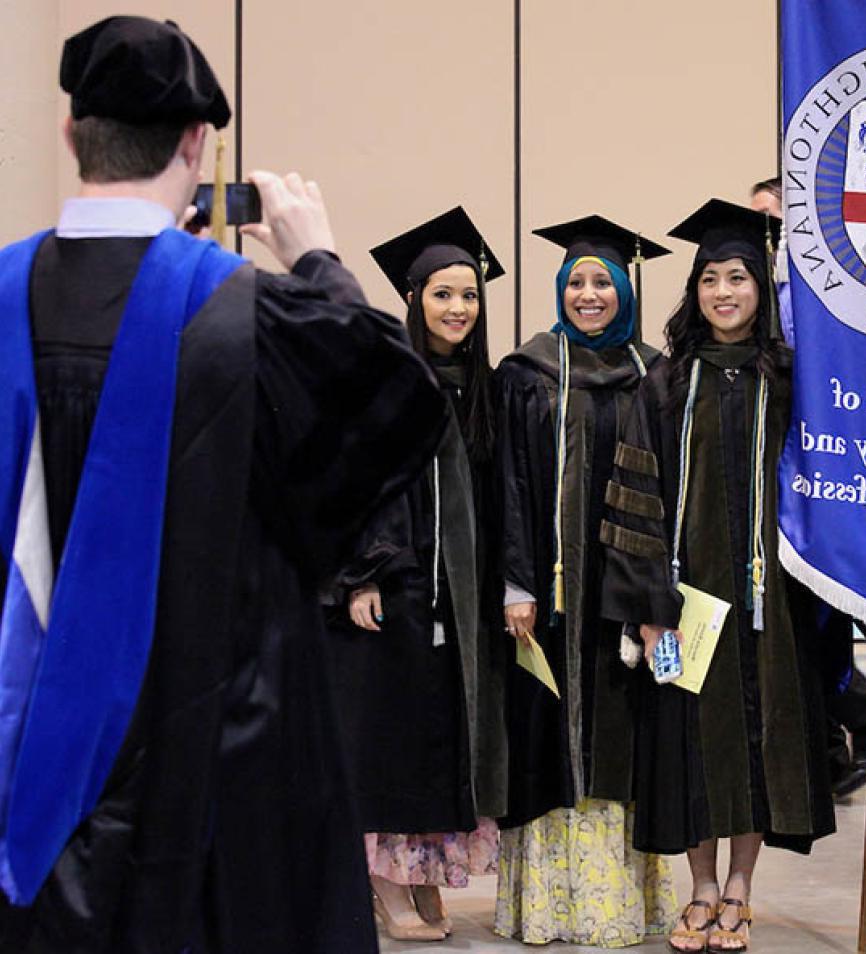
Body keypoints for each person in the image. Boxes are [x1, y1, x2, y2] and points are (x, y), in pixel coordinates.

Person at [0, 17, 444, 954]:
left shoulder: (3, 297)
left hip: (23, 751)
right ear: (199, 144)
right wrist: (318, 260)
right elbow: (391, 413)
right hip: (222, 763)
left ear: (73, 133)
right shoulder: (253, 315)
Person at [602, 199, 841, 953]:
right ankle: (700, 889)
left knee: (761, 743)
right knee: (687, 747)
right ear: (694, 293)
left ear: (761, 290)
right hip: (683, 606)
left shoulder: (794, 380)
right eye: (710, 279)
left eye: (738, 277)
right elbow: (634, 498)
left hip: (775, 606)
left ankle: (741, 889)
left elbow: (830, 483)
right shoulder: (666, 385)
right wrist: (647, 604)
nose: (724, 292)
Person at [326, 208, 509, 942]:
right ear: (414, 300)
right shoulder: (384, 381)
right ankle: (385, 891)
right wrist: (361, 575)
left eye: (469, 295)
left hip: (462, 604)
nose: (458, 308)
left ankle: (426, 882)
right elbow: (354, 483)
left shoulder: (486, 387)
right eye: (443, 294)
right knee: (388, 744)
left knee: (444, 743)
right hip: (395, 596)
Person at [495, 216, 676, 947]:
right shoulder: (528, 372)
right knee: (548, 730)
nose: (589, 295)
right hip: (549, 590)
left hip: (628, 591)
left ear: (627, 289)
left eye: (603, 282)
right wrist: (514, 582)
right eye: (577, 283)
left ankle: (619, 901)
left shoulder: (656, 374)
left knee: (625, 731)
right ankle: (549, 904)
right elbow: (509, 480)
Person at [746, 176, 866, 798]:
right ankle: (843, 743)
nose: (767, 233)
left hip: (821, 486)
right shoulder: (753, 298)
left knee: (817, 627)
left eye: (775, 219)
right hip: (770, 487)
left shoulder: (825, 301)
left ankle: (859, 730)